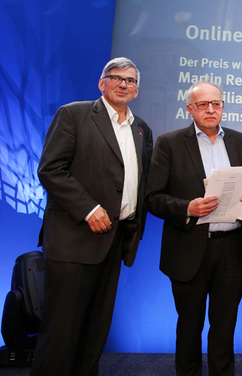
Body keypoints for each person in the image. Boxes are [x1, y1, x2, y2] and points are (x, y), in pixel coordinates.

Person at [32, 57, 153, 375]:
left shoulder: (141, 130)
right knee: (62, 332)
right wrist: (88, 209)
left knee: (95, 330)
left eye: (130, 80)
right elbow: (50, 170)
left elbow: (141, 185)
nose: (123, 84)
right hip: (74, 241)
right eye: (116, 78)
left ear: (136, 90)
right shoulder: (74, 114)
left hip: (115, 241)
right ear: (102, 83)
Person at [145, 81, 242, 376]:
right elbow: (153, 198)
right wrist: (187, 208)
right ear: (189, 109)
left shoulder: (241, 141)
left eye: (216, 103)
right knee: (189, 328)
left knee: (224, 330)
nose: (210, 109)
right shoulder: (169, 142)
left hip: (232, 249)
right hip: (189, 247)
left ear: (223, 106)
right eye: (202, 104)